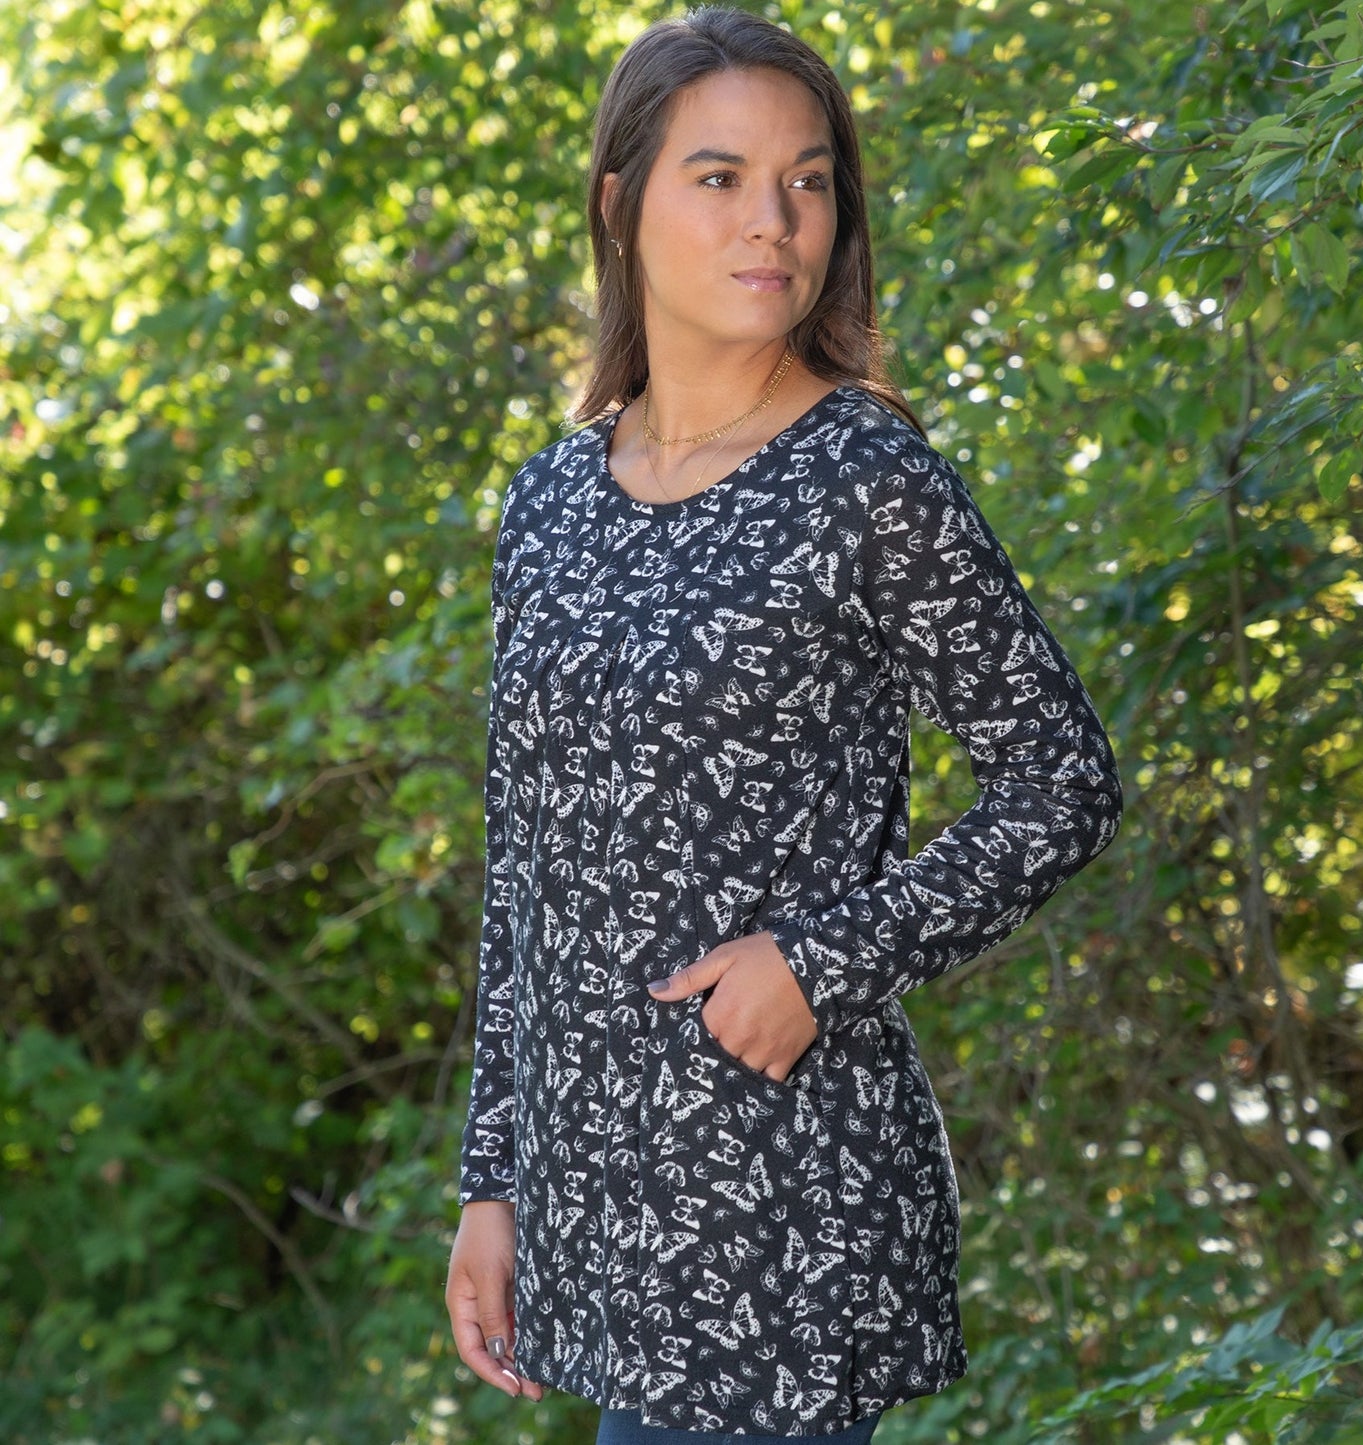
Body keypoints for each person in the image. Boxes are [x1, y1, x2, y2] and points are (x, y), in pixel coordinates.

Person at [445, 7, 1123, 1441]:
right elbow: (526, 867)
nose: (775, 220)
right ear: (619, 204)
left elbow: (1061, 780)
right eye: (721, 177)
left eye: (807, 181)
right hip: (599, 1209)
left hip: (783, 1202)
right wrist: (490, 1185)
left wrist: (822, 961)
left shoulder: (865, 477)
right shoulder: (550, 500)